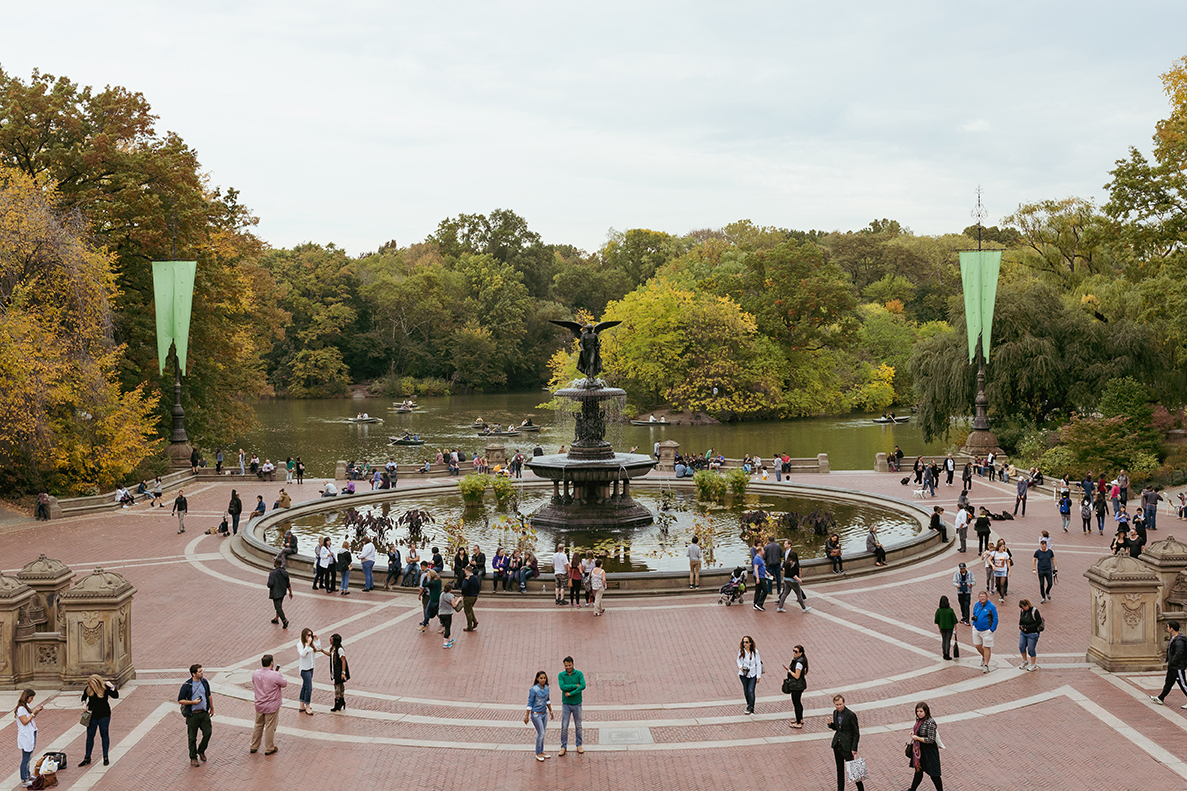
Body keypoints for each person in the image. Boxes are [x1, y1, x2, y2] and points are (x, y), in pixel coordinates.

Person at [250, 654, 286, 755]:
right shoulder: (275, 675)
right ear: (271, 663)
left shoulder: (255, 673)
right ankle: (269, 747)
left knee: (258, 725)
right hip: (271, 705)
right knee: (270, 726)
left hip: (259, 703)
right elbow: (284, 684)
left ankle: (254, 745)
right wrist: (279, 673)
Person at [826, 694, 864, 791]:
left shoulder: (851, 715)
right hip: (837, 746)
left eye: (840, 704)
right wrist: (831, 725)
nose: (838, 706)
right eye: (836, 704)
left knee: (853, 770)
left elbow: (856, 733)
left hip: (847, 747)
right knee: (839, 770)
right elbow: (838, 728)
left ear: (844, 703)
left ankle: (861, 789)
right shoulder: (835, 713)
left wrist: (854, 748)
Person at [177, 663, 213, 767]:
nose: (202, 673)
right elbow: (180, 700)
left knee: (208, 733)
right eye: (199, 672)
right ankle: (193, 757)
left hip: (204, 713)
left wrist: (212, 708)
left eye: (202, 671)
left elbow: (209, 695)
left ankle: (201, 750)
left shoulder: (204, 682)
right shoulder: (187, 686)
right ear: (193, 674)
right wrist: (193, 702)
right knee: (192, 737)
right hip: (192, 715)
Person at [906, 702, 942, 790]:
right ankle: (912, 789)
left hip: (929, 752)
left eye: (921, 711)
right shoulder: (918, 720)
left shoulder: (931, 722)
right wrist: (914, 734)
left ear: (926, 711)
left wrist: (917, 738)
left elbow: (930, 739)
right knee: (918, 771)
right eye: (917, 711)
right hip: (919, 750)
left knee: (934, 774)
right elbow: (919, 731)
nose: (919, 713)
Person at [1151, 620, 1187, 706]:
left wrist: (1173, 662)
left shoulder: (1179, 641)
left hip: (1177, 667)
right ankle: (1160, 698)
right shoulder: (1173, 637)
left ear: (1172, 628)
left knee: (1183, 684)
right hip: (1172, 666)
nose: (1167, 628)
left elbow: (1179, 654)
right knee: (1168, 683)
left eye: (1168, 627)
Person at [557, 656, 586, 755]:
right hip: (566, 704)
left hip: (577, 703)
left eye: (569, 665)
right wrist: (575, 686)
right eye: (566, 666)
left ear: (573, 664)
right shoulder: (561, 675)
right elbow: (562, 687)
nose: (568, 667)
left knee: (578, 725)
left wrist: (570, 693)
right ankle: (563, 746)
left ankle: (579, 744)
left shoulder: (579, 674)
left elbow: (583, 685)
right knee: (564, 726)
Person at [15, 689, 44, 785]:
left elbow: (31, 718)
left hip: (31, 732)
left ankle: (27, 775)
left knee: (29, 757)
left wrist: (36, 712)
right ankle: (24, 779)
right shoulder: (21, 709)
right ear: (26, 697)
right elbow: (25, 721)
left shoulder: (26, 706)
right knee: (25, 759)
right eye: (31, 698)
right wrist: (33, 713)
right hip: (25, 735)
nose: (32, 700)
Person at [525, 670, 554, 761]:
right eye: (541, 678)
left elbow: (547, 700)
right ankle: (537, 752)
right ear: (537, 679)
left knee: (543, 733)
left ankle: (541, 751)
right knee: (541, 733)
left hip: (544, 714)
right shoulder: (533, 689)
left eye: (544, 678)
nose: (543, 680)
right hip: (536, 715)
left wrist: (551, 711)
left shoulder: (546, 688)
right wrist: (527, 716)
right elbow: (530, 702)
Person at [296, 628, 326, 715]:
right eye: (308, 635)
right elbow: (302, 654)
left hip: (311, 667)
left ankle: (301, 704)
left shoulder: (312, 643)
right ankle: (307, 705)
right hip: (304, 669)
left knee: (305, 686)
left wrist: (316, 639)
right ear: (304, 635)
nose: (310, 637)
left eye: (311, 635)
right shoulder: (300, 644)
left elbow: (319, 648)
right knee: (309, 687)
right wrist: (307, 645)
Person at [777, 544, 811, 613]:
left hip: (786, 579)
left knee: (785, 593)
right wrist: (799, 580)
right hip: (792, 581)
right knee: (798, 593)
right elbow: (793, 574)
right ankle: (804, 608)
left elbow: (787, 571)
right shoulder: (794, 564)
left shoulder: (787, 562)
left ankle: (780, 607)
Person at [782, 645, 808, 728]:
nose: (794, 653)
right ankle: (799, 719)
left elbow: (796, 675)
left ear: (801, 653)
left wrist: (788, 670)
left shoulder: (798, 663)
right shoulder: (800, 660)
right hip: (799, 685)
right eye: (793, 651)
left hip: (797, 686)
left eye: (796, 651)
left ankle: (798, 722)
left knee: (796, 703)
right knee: (798, 702)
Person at [972, 591, 998, 673]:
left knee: (987, 647)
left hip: (987, 630)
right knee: (977, 646)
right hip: (976, 629)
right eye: (981, 597)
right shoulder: (977, 605)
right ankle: (984, 656)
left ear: (987, 597)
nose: (982, 598)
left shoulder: (991, 606)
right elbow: (974, 613)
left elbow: (995, 618)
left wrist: (992, 629)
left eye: (983, 596)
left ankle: (986, 664)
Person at [737, 635, 762, 715]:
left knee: (751, 690)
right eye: (744, 642)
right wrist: (741, 667)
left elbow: (758, 664)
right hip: (743, 674)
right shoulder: (741, 651)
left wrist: (758, 676)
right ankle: (749, 704)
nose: (745, 644)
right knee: (746, 691)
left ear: (750, 643)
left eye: (746, 642)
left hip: (752, 674)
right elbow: (738, 660)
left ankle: (752, 707)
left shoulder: (755, 652)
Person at [1018, 599, 1043, 671]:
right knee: (1021, 646)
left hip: (1032, 633)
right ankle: (1025, 661)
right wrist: (1021, 626)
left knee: (1031, 649)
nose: (1023, 608)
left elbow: (1038, 622)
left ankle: (1033, 664)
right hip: (1023, 633)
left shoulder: (1034, 611)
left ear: (1028, 605)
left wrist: (1028, 628)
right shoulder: (1023, 611)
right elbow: (1021, 620)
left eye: (1024, 607)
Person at [327, 633, 351, 711]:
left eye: (331, 640)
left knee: (337, 685)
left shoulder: (339, 649)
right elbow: (331, 655)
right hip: (336, 670)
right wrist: (322, 651)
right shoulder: (334, 649)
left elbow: (343, 660)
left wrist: (343, 672)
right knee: (340, 685)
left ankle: (338, 702)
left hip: (339, 670)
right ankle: (341, 700)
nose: (330, 641)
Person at [267, 559, 292, 629]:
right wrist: (290, 592)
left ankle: (284, 620)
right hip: (282, 592)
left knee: (278, 607)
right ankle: (276, 618)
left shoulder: (272, 573)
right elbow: (288, 583)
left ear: (275, 563)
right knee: (279, 605)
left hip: (275, 593)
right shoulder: (285, 572)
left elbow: (270, 584)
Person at [935, 596, 958, 660]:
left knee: (944, 640)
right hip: (949, 628)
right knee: (948, 640)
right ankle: (947, 654)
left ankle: (944, 653)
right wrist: (956, 629)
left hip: (942, 627)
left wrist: (939, 628)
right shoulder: (950, 610)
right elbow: (954, 621)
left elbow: (937, 621)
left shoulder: (939, 610)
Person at [461, 565, 481, 631]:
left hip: (468, 596)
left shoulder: (467, 579)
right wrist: (477, 594)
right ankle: (475, 621)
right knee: (470, 609)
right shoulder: (475, 578)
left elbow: (463, 587)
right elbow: (478, 586)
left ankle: (469, 626)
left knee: (467, 612)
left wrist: (463, 594)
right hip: (474, 596)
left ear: (466, 571)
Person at [751, 543, 771, 611]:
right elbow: (756, 568)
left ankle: (755, 603)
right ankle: (759, 604)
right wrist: (757, 578)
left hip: (761, 575)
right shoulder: (757, 559)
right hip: (760, 576)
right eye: (763, 550)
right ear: (760, 551)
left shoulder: (760, 558)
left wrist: (767, 572)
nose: (764, 551)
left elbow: (761, 567)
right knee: (765, 590)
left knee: (758, 590)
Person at [440, 583, 457, 648]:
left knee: (447, 626)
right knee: (447, 627)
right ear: (450, 589)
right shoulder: (450, 596)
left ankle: (449, 639)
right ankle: (445, 643)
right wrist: (459, 600)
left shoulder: (442, 594)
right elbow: (454, 605)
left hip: (441, 613)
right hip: (447, 614)